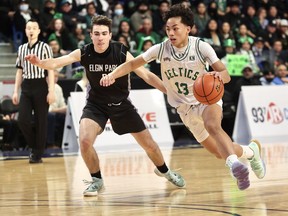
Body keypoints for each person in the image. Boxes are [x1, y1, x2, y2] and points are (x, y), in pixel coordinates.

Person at [100, 4, 266, 191]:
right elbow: (132, 65)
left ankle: (235, 166)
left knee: (213, 126)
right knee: (218, 151)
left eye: (175, 28)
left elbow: (225, 73)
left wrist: (220, 76)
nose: (170, 32)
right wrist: (112, 75)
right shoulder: (160, 49)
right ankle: (251, 152)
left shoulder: (201, 46)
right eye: (168, 29)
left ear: (188, 29)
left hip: (206, 99)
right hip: (184, 109)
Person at [25, 15, 186, 196]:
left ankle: (165, 171)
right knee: (85, 141)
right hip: (96, 105)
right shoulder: (84, 52)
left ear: (110, 35)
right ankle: (97, 180)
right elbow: (57, 62)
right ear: (91, 35)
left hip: (121, 104)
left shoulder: (121, 52)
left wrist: (169, 92)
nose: (100, 37)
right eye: (96, 34)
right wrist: (39, 63)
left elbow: (146, 76)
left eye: (103, 34)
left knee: (151, 146)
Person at [12, 19, 55, 163]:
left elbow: (50, 69)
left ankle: (37, 153)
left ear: (38, 31)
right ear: (25, 30)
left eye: (34, 28)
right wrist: (15, 91)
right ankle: (33, 147)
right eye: (28, 28)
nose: (31, 30)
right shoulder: (21, 49)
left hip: (40, 85)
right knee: (22, 119)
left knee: (41, 121)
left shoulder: (45, 47)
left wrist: (51, 91)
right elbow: (19, 71)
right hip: (26, 86)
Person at [47, 71, 67, 149]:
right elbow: (49, 110)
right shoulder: (44, 87)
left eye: (56, 76)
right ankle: (50, 144)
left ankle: (62, 143)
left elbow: (62, 104)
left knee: (66, 117)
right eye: (53, 76)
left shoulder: (58, 88)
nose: (55, 79)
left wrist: (65, 109)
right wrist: (59, 110)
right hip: (45, 113)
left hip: (55, 112)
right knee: (50, 116)